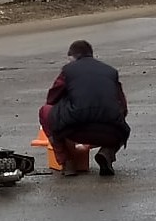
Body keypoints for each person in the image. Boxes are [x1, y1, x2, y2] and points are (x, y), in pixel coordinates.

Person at [39, 40, 130, 177]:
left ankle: (66, 162)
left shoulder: (68, 70)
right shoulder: (111, 72)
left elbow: (52, 99)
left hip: (75, 130)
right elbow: (123, 108)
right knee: (119, 121)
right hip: (111, 133)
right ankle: (107, 152)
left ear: (72, 57)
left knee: (45, 111)